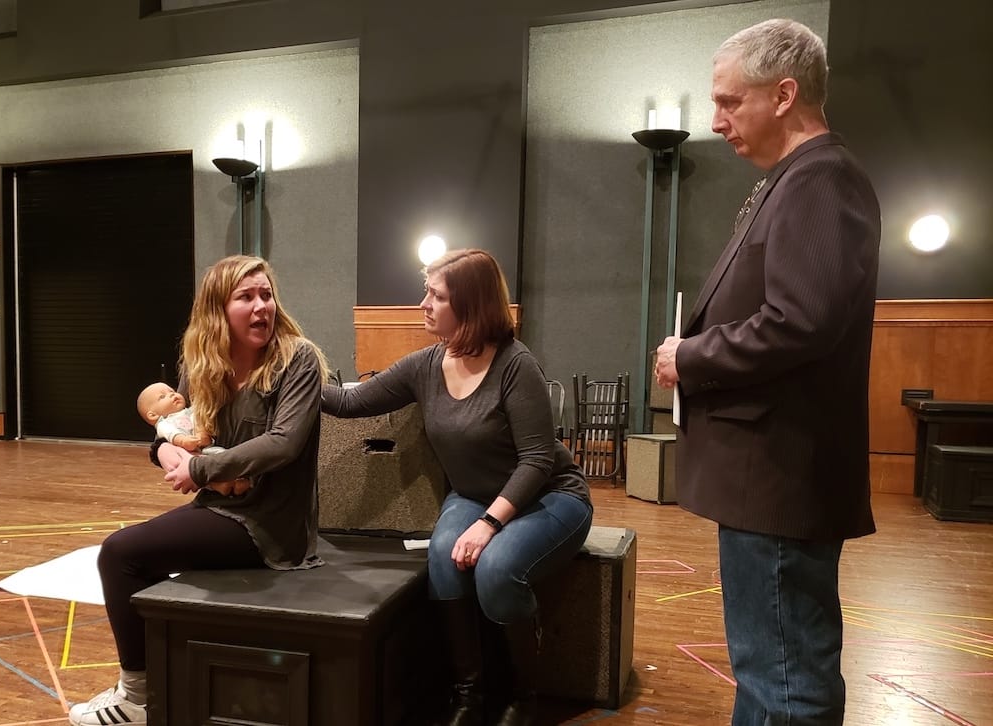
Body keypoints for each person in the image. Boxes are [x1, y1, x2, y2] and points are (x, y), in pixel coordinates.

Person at [654, 19, 880, 726]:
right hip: (769, 478)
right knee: (769, 674)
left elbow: (799, 322)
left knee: (785, 681)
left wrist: (689, 355)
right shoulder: (797, 179)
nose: (716, 121)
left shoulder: (820, 179)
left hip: (780, 476)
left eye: (729, 102)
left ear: (784, 94)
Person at [322, 249, 592, 726]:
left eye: (436, 295)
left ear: (469, 306)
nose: (422, 302)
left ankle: (521, 696)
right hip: (472, 495)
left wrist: (489, 525)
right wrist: (291, 372)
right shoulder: (425, 364)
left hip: (548, 496)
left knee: (497, 571)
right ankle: (470, 694)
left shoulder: (515, 365)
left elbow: (537, 459)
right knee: (444, 561)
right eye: (426, 290)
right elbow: (348, 402)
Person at [69, 255, 328, 725]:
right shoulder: (202, 364)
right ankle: (160, 686)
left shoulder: (298, 359)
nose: (261, 307)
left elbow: (283, 444)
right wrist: (165, 454)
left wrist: (201, 467)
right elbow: (174, 429)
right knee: (129, 555)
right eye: (246, 297)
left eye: (266, 295)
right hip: (218, 509)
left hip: (270, 525)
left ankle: (137, 698)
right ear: (217, 309)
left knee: (119, 554)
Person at [135, 381, 251, 496]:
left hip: (206, 448)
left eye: (172, 391)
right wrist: (183, 441)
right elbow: (172, 434)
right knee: (195, 470)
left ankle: (239, 478)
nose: (172, 394)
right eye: (162, 396)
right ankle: (217, 485)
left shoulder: (189, 411)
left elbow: (201, 411)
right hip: (187, 453)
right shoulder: (164, 424)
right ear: (153, 415)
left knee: (222, 454)